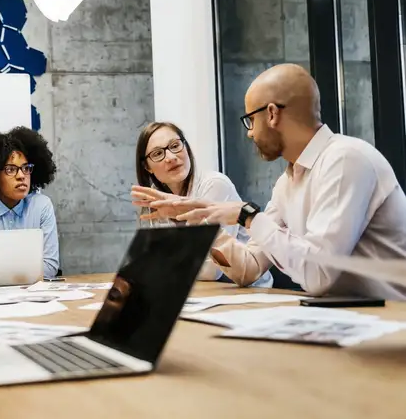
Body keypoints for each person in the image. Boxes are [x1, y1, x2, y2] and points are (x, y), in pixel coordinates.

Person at [146, 64, 406, 299]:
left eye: (251, 120)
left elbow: (318, 275)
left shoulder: (346, 159)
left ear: (271, 114)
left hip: (393, 325)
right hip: (350, 320)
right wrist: (200, 221)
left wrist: (246, 215)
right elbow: (248, 269)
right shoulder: (287, 182)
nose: (249, 133)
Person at [131, 122, 272, 287]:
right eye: (157, 154)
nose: (170, 157)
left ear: (186, 147)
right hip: (196, 292)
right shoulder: (153, 198)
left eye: (175, 146)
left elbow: (212, 270)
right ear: (147, 167)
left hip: (247, 292)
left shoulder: (215, 184)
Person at [0, 126, 60, 277]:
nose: (21, 176)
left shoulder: (41, 205)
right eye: (11, 169)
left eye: (26, 168)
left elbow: (50, 267)